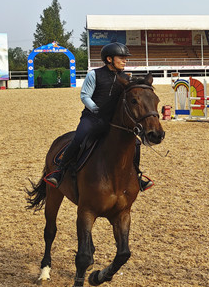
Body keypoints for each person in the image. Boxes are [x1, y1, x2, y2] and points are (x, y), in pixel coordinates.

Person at [44, 42, 153, 191]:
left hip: (114, 122)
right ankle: (59, 172)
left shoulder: (125, 78)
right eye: (121, 57)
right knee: (79, 138)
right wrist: (96, 109)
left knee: (135, 143)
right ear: (109, 59)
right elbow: (85, 95)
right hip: (92, 118)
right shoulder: (94, 74)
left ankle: (137, 176)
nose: (125, 60)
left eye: (125, 58)